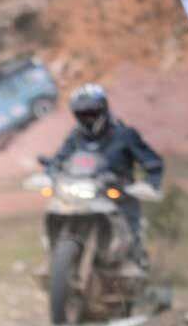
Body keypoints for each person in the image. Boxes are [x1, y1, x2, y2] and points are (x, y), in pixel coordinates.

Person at [46, 84, 163, 259]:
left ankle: (137, 263)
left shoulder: (124, 134)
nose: (88, 118)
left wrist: (151, 184)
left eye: (92, 112)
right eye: (82, 113)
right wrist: (51, 173)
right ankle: (54, 259)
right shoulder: (75, 136)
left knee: (133, 232)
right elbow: (59, 159)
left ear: (103, 109)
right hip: (84, 195)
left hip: (119, 195)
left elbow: (152, 162)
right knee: (57, 209)